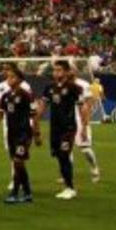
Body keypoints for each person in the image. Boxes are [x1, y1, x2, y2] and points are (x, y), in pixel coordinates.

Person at [0, 71, 40, 204]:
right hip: (11, 134)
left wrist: (37, 134)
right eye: (8, 77)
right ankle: (27, 193)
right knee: (18, 163)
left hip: (24, 133)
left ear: (20, 79)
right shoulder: (6, 96)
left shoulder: (26, 95)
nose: (9, 79)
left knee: (17, 161)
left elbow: (34, 115)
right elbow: (0, 113)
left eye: (12, 77)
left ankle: (14, 193)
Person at [36, 61, 84, 200]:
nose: (56, 73)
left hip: (68, 128)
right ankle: (67, 186)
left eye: (59, 70)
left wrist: (84, 127)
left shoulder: (74, 88)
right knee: (59, 156)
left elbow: (82, 106)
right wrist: (36, 120)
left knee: (64, 155)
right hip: (54, 128)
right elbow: (43, 105)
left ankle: (70, 188)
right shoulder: (49, 88)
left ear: (67, 72)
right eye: (55, 70)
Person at [53, 60, 101, 183]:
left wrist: (85, 125)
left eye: (73, 69)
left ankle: (94, 168)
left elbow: (88, 104)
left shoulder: (83, 85)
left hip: (80, 119)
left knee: (85, 148)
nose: (71, 72)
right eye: (69, 69)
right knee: (65, 149)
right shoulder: (60, 85)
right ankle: (66, 174)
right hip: (65, 121)